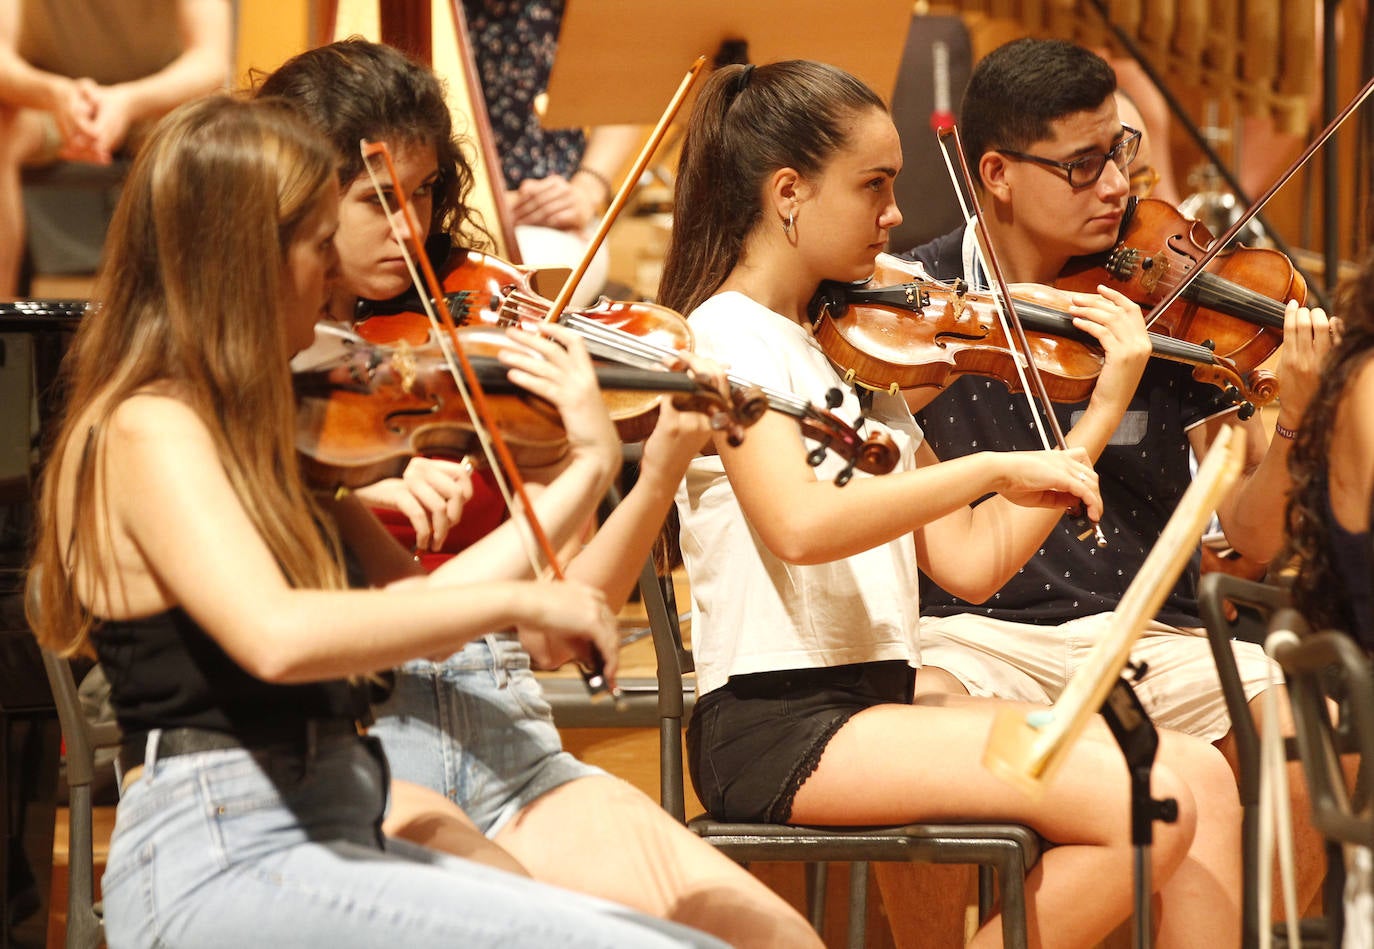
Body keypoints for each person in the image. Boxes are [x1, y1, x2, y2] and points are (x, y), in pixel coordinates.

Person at [23, 93, 730, 949]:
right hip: (222, 846)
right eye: (319, 246)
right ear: (242, 257)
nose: (336, 277)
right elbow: (276, 634)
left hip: (327, 824)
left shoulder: (273, 436)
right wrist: (541, 605)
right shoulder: (147, 426)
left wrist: (584, 470)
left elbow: (423, 620)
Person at [658, 58, 1244, 947]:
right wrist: (981, 469)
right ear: (789, 193)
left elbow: (970, 562)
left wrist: (1098, 417)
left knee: (1193, 771)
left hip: (875, 703)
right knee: (1146, 799)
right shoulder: (727, 336)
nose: (897, 215)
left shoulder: (848, 353)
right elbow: (801, 524)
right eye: (875, 187)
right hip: (783, 724)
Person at [256, 39, 820, 948]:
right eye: (375, 201)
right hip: (361, 740)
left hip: (503, 721)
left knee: (770, 936)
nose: (409, 226)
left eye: (428, 191)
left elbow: (561, 629)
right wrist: (372, 483)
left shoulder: (489, 330)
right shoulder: (253, 359)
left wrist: (657, 467)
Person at [896, 36, 1337, 918]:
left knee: (1306, 737)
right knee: (919, 718)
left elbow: (1244, 544)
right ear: (998, 173)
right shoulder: (919, 307)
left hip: (1150, 635)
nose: (1117, 188)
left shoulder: (1167, 297)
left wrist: (1291, 420)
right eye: (1084, 164)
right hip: (973, 638)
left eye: (1121, 153)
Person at [0, 0, 233, 297]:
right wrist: (54, 94)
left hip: (158, 97)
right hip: (50, 99)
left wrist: (128, 101)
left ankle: (193, 315)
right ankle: (4, 322)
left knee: (212, 133)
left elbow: (211, 59)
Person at [460, 0, 642, 303]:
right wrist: (485, 204)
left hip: (554, 216)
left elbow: (624, 95)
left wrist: (585, 190)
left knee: (524, 288)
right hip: (451, 209)